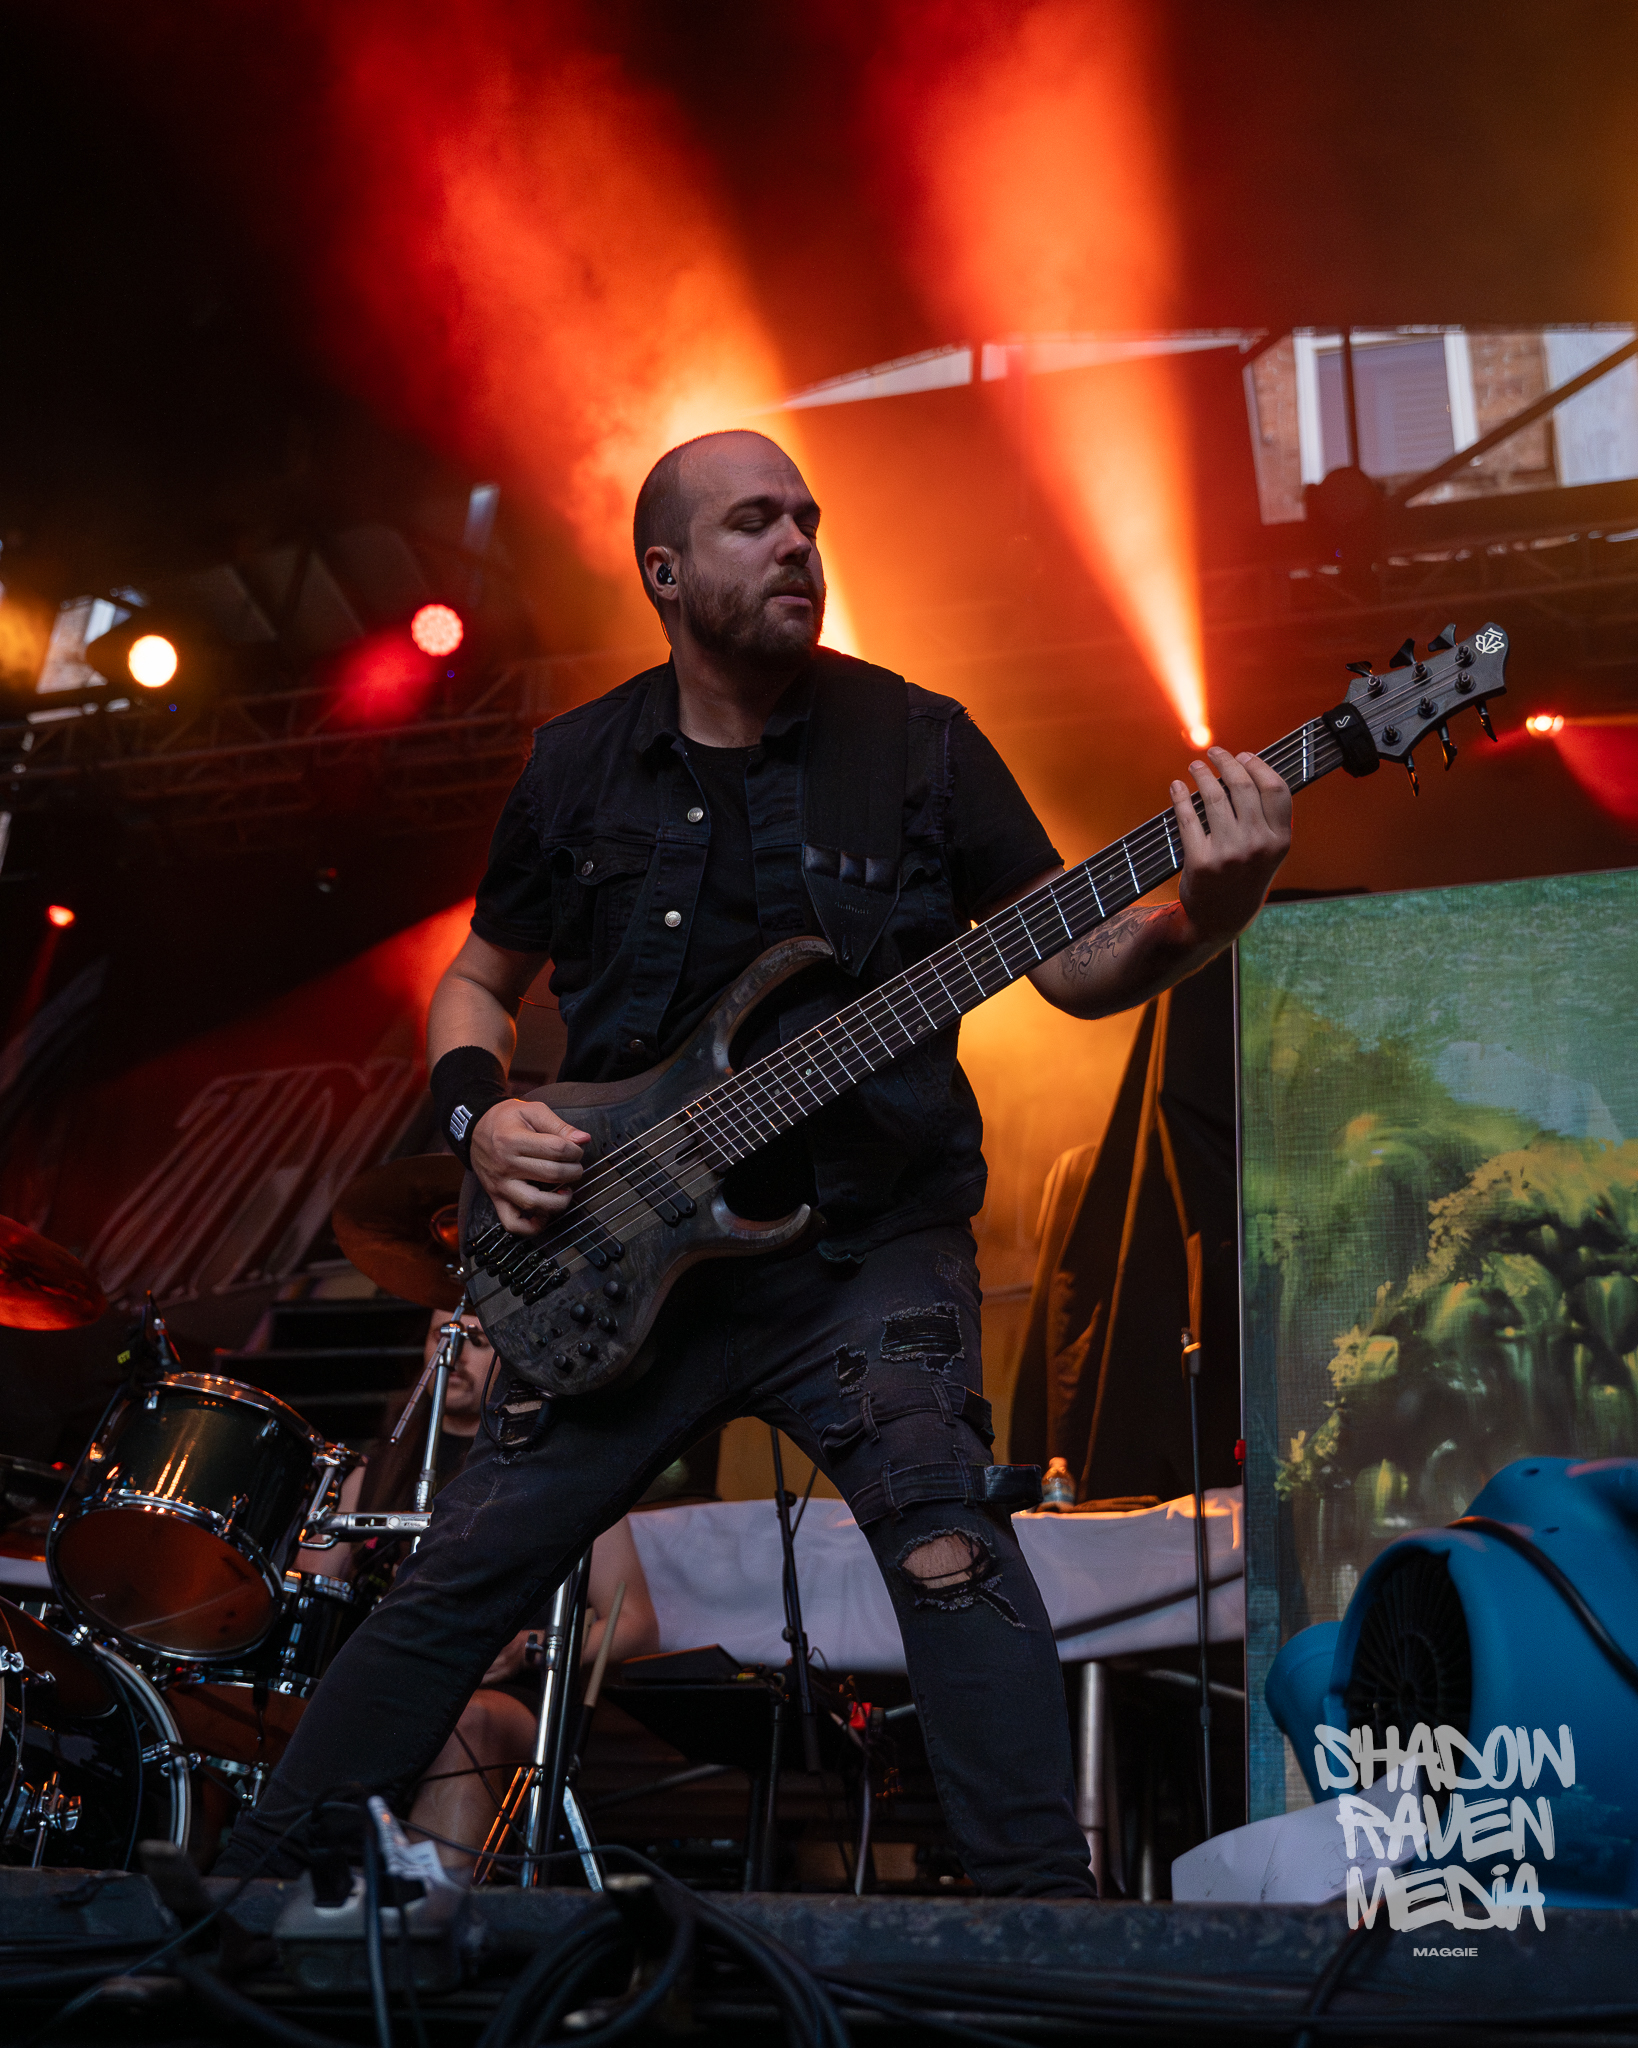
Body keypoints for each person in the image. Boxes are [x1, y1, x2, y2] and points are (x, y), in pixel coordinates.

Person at [220, 428, 1290, 1895]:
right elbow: (473, 984)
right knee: (462, 1576)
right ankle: (249, 1891)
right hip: (616, 1259)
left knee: (946, 1538)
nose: (795, 541)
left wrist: (1212, 905)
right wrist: (483, 1118)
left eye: (807, 517)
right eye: (752, 522)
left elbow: (1086, 961)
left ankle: (1042, 1922)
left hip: (864, 1247)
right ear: (665, 572)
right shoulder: (576, 765)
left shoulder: (917, 743)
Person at [295, 1308, 659, 1869]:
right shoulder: (379, 1471)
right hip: (387, 1685)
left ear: (515, 1354)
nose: (452, 1353)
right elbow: (310, 1592)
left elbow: (634, 1622)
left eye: (477, 1339)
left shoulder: (563, 1467)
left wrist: (529, 1649)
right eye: (440, 1335)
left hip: (506, 1698)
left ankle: (425, 1912)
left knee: (467, 1720)